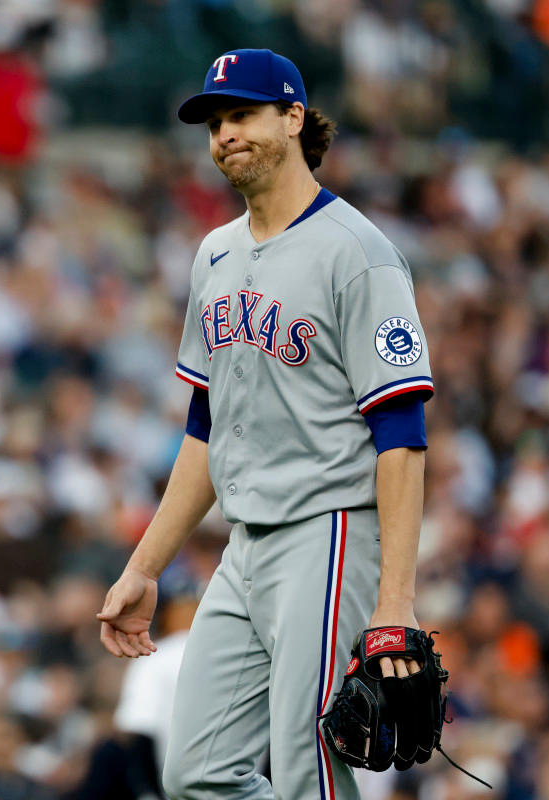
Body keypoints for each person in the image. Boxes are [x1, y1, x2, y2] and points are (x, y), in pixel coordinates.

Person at [96, 49, 434, 800]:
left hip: (330, 531)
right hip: (245, 548)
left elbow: (402, 435)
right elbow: (204, 429)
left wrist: (395, 602)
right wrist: (144, 567)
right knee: (193, 775)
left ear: (292, 118)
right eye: (215, 123)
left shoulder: (358, 254)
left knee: (307, 766)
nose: (224, 135)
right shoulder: (213, 254)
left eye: (241, 114)